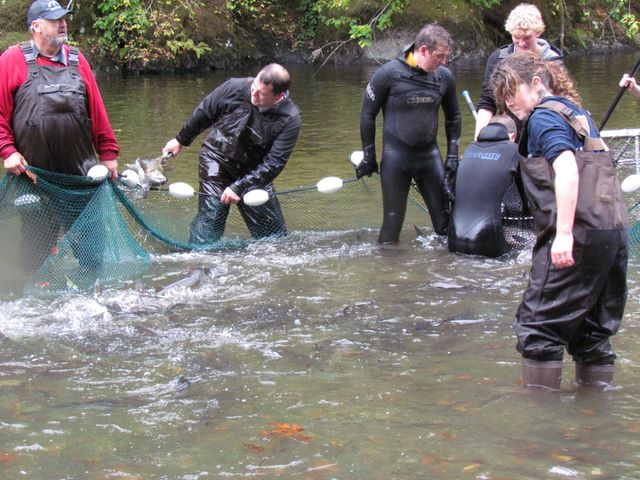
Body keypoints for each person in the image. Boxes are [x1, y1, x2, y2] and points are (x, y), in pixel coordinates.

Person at [490, 51, 628, 392]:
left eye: (512, 92)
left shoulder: (543, 118)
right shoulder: (577, 113)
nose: (508, 103)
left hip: (577, 232)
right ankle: (593, 414)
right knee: (592, 331)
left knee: (538, 327)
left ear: (536, 83)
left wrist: (564, 234)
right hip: (612, 231)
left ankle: (539, 420)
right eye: (503, 97)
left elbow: (566, 168)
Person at [0, 0, 120, 275]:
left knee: (91, 251)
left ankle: (89, 291)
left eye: (63, 18)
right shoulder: (12, 60)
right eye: (55, 20)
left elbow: (97, 111)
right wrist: (7, 150)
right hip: (34, 177)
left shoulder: (78, 60)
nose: (63, 23)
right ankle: (38, 294)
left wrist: (108, 154)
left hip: (80, 176)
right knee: (35, 254)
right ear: (36, 26)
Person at [162, 63, 301, 243]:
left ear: (279, 96)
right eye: (254, 88)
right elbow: (205, 111)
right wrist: (180, 139)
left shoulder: (290, 119)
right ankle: (198, 256)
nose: (253, 95)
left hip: (253, 172)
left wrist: (239, 187)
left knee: (273, 237)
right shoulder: (234, 86)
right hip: (215, 159)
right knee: (212, 218)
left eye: (261, 94)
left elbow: (274, 164)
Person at [358, 23, 461, 243]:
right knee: (392, 222)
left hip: (430, 158)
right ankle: (387, 264)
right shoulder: (388, 74)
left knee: (445, 223)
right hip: (396, 159)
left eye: (446, 57)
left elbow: (454, 117)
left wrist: (452, 156)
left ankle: (448, 264)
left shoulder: (444, 77)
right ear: (423, 50)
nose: (444, 62)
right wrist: (369, 157)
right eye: (439, 56)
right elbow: (367, 115)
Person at [475, 3, 563, 141]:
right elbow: (487, 103)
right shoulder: (498, 59)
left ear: (538, 32)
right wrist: (479, 140)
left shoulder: (552, 62)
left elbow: (562, 103)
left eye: (527, 38)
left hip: (543, 130)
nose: (521, 43)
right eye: (516, 37)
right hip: (510, 133)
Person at [448, 115, 524, 258]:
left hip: (453, 235)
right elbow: (524, 196)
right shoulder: (514, 150)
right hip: (486, 237)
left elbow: (453, 194)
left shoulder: (470, 149)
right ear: (513, 136)